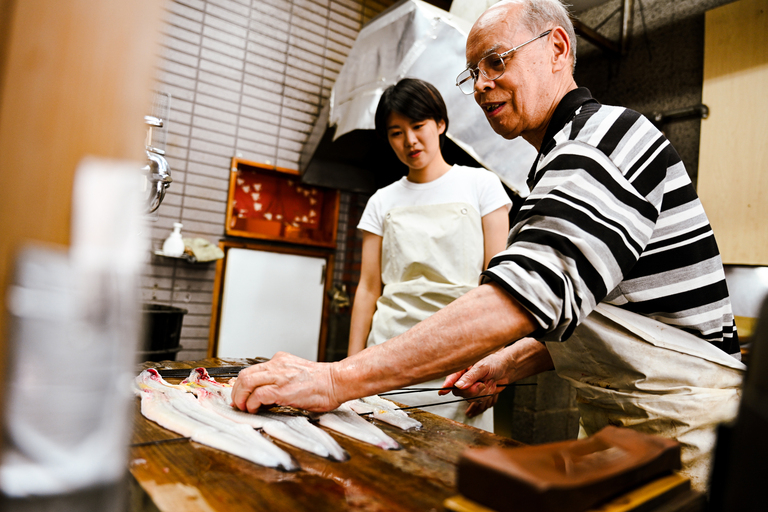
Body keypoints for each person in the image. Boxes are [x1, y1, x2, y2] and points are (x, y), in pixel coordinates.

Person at [232, 0, 744, 492]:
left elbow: (517, 295)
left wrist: (335, 379)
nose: (481, 85)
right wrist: (515, 360)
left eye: (496, 61)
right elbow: (601, 307)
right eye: (472, 71)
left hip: (686, 425)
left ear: (559, 48)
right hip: (621, 421)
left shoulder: (604, 139)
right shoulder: (554, 162)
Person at [346, 78, 511, 431]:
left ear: (440, 124)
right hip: (388, 351)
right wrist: (351, 366)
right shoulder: (382, 201)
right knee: (382, 460)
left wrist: (495, 362)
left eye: (418, 126)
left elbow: (497, 284)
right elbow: (368, 288)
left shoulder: (482, 185)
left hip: (462, 355)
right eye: (396, 132)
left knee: (458, 466)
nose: (410, 141)